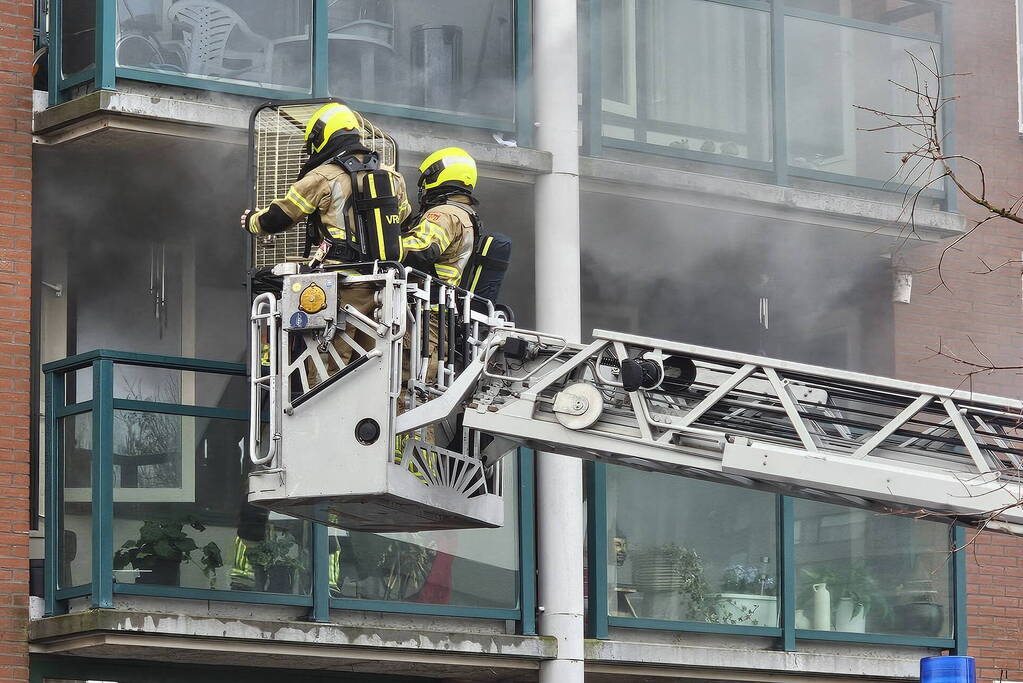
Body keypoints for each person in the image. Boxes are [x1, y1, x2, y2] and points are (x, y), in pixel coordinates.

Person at [240, 102, 410, 374]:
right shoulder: (392, 178)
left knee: (327, 372)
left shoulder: (323, 176)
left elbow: (282, 215)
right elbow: (401, 217)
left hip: (339, 288)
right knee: (371, 370)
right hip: (381, 291)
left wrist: (252, 221)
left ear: (322, 137)